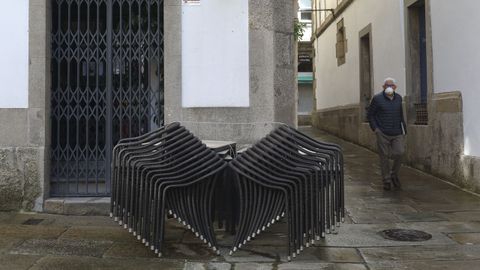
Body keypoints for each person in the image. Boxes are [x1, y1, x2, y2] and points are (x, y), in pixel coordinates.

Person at [367, 77, 407, 191]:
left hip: (397, 132)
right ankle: (386, 180)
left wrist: (404, 129)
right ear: (383, 87)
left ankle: (394, 174)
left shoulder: (399, 98)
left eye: (391, 85)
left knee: (400, 152)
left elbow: (401, 115)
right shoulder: (377, 99)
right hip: (382, 132)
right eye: (387, 85)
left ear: (395, 87)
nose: (389, 87)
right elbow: (370, 115)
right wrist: (376, 129)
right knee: (384, 157)